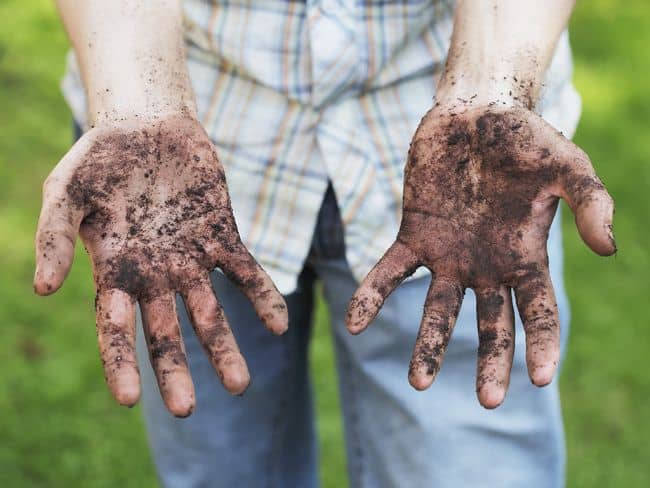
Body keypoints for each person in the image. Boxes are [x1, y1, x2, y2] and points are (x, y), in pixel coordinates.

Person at [36, 0, 615, 486]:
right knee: (220, 468)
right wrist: (138, 104)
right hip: (172, 179)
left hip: (460, 177)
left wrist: (494, 93)